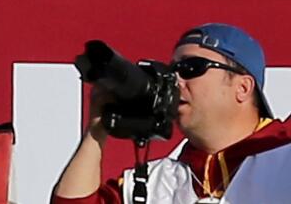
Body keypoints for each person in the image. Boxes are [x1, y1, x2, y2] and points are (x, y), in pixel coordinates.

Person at [52, 23, 290, 203]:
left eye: (191, 68)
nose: (175, 80)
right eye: (172, 69)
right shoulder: (154, 180)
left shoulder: (283, 155)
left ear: (243, 87)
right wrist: (97, 129)